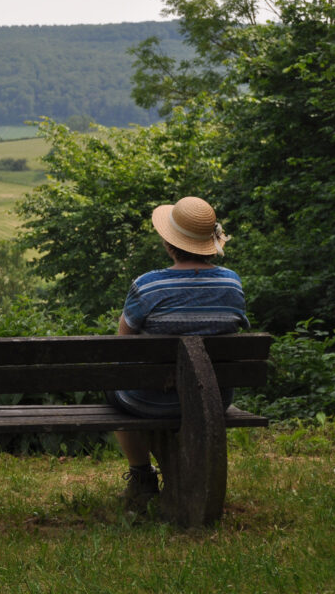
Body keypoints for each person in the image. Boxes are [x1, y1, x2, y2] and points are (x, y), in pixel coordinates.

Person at [109, 196, 250, 508]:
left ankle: (142, 475)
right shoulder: (232, 283)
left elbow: (124, 344)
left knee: (114, 384)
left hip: (148, 400)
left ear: (169, 243)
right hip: (214, 399)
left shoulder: (148, 286)